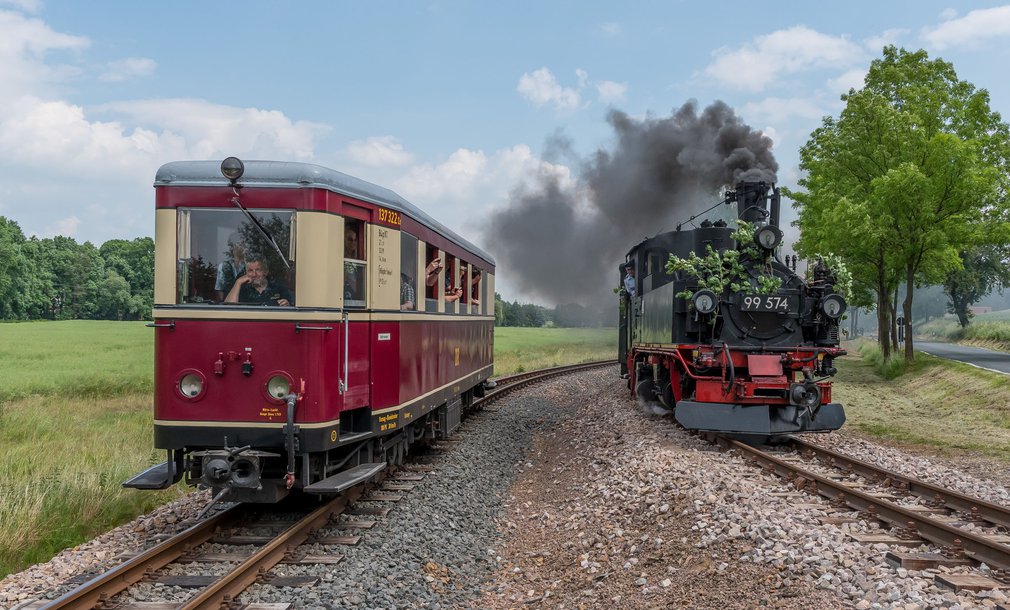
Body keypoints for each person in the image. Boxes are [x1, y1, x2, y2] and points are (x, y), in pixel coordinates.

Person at [225, 257, 293, 306]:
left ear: (266, 271)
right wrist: (238, 282)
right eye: (250, 270)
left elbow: (293, 308)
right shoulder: (241, 289)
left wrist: (287, 305)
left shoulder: (279, 287)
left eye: (258, 270)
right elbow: (228, 310)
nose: (254, 274)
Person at [214, 232, 247, 301]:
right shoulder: (223, 266)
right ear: (232, 246)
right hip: (228, 305)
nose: (243, 246)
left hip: (247, 304)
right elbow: (220, 290)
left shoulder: (250, 266)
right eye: (240, 243)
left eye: (244, 243)